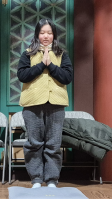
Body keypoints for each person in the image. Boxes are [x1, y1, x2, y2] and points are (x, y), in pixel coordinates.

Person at [17, 18, 73, 188]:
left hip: (56, 104)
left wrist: (52, 66)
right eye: (42, 33)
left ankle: (51, 180)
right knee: (34, 143)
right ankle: (36, 179)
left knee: (53, 144)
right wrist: (42, 65)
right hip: (32, 104)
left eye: (49, 33)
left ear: (54, 35)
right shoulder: (28, 53)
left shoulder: (62, 54)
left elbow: (67, 77)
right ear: (37, 35)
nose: (46, 36)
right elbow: (22, 75)